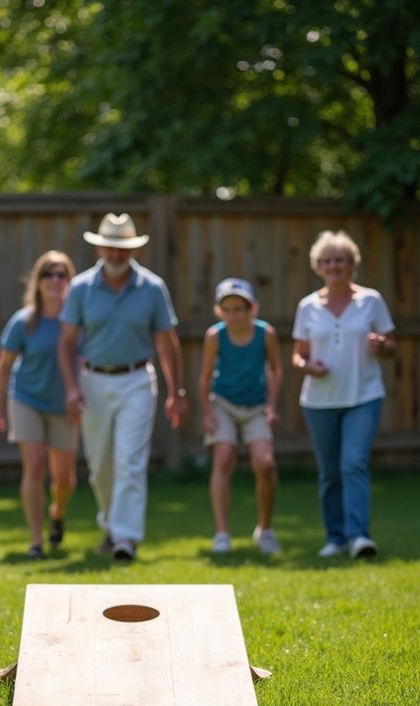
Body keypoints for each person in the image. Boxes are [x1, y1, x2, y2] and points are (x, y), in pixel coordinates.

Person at [58, 212, 187, 561]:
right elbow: (67, 342)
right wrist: (71, 387)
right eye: (111, 248)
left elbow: (167, 342)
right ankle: (110, 525)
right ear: (99, 248)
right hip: (93, 382)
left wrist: (176, 392)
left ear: (133, 251)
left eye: (123, 249)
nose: (117, 255)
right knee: (101, 467)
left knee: (130, 461)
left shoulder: (152, 288)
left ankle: (125, 538)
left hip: (136, 381)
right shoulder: (82, 288)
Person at [292, 230, 396, 559]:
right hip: (319, 401)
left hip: (364, 396)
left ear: (352, 264)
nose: (333, 265)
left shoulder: (372, 301)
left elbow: (391, 346)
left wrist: (383, 346)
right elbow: (299, 354)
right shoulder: (307, 306)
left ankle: (358, 537)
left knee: (354, 463)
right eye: (326, 261)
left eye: (339, 260)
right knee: (330, 472)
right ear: (317, 267)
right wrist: (308, 366)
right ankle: (335, 538)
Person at [0, 250, 79, 560]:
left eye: (62, 274)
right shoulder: (24, 321)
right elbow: (3, 366)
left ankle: (57, 511)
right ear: (38, 281)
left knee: (64, 479)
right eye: (48, 274)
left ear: (70, 281)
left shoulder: (77, 322)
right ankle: (36, 539)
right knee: (35, 467)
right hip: (26, 399)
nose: (55, 280)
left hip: (64, 406)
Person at [199, 278, 282, 555]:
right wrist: (207, 412)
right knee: (223, 458)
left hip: (256, 406)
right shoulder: (215, 336)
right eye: (228, 309)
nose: (234, 314)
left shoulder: (265, 333)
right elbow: (205, 376)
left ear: (252, 309)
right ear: (220, 311)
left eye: (240, 308)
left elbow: (275, 369)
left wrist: (271, 405)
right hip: (223, 403)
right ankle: (222, 534)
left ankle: (265, 529)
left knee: (265, 464)